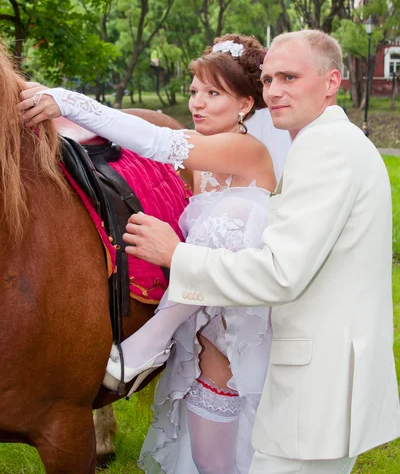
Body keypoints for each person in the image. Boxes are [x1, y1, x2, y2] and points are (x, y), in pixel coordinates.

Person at [114, 30, 400, 474]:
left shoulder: (325, 150)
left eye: (289, 76)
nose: (274, 91)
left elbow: (279, 274)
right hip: (299, 370)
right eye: (268, 79)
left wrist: (177, 256)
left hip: (316, 385)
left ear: (332, 82)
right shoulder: (326, 142)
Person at [19, 34, 291, 474]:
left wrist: (66, 101)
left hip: (229, 328)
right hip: (203, 329)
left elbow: (157, 141)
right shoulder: (205, 160)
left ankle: (148, 342)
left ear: (245, 104)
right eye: (194, 91)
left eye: (213, 93)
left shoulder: (247, 150)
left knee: (218, 454)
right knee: (203, 452)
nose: (198, 103)